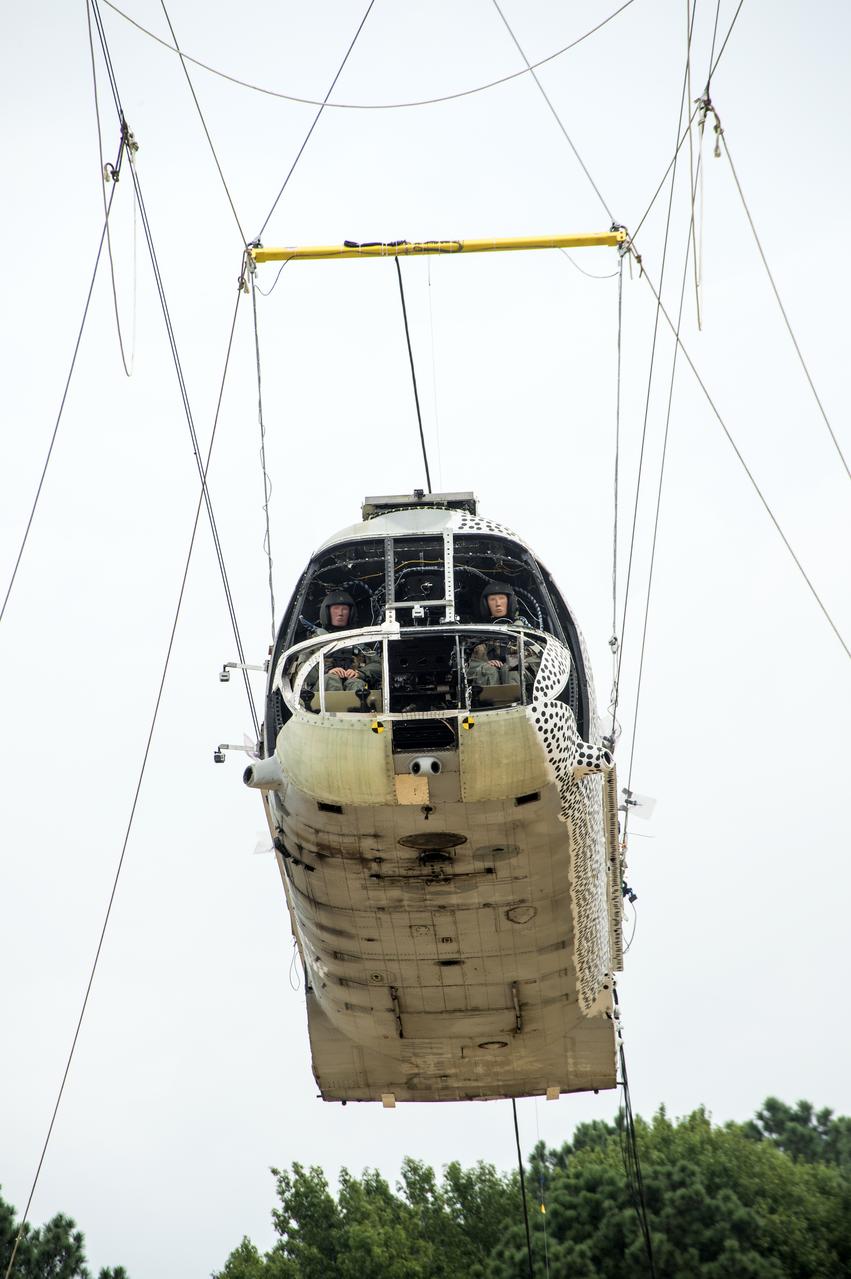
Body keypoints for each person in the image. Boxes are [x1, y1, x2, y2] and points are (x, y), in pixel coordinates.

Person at [308, 590, 381, 694]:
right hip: (322, 693)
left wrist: (360, 673)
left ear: (350, 613)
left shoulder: (358, 640)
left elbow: (379, 665)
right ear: (327, 612)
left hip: (354, 683)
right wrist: (327, 671)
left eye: (345, 609)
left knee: (357, 684)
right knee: (330, 679)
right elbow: (301, 670)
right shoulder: (315, 641)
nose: (340, 613)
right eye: (336, 609)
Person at [465, 581, 523, 689]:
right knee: (488, 671)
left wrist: (510, 663)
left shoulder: (523, 631)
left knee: (511, 670)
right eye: (492, 600)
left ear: (510, 602)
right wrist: (486, 664)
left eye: (501, 598)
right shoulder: (480, 634)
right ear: (486, 605)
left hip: (517, 677)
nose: (498, 603)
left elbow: (538, 658)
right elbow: (469, 665)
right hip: (487, 681)